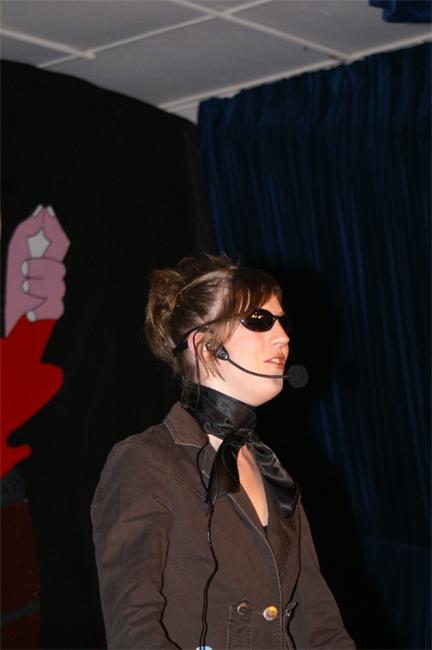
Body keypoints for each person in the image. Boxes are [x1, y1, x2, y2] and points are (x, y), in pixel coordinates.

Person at [91, 254, 355, 650]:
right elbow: (134, 630)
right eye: (260, 321)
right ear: (204, 346)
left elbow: (320, 627)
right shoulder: (145, 461)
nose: (283, 338)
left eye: (282, 322)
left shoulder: (272, 471)